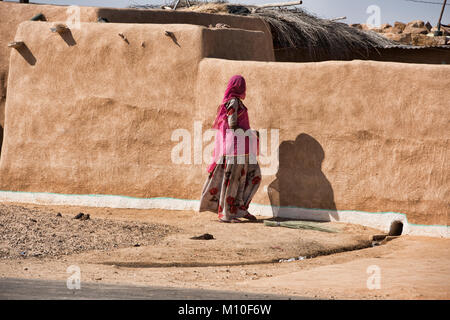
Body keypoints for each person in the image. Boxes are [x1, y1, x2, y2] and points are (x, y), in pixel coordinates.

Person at [199, 75, 261, 223]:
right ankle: (226, 214)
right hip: (234, 148)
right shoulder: (233, 102)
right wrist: (250, 133)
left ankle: (239, 210)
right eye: (242, 85)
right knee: (233, 182)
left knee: (245, 179)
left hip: (241, 147)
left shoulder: (237, 101)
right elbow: (232, 124)